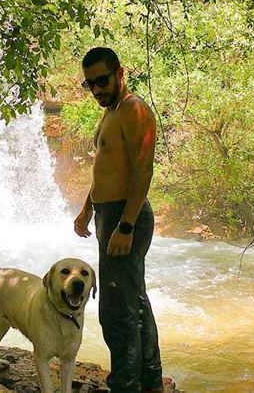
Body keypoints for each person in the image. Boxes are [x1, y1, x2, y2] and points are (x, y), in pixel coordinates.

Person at [74, 47, 164, 393]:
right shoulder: (111, 112)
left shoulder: (134, 110)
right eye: (90, 84)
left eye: (102, 80)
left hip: (127, 216)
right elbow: (107, 169)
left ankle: (126, 384)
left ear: (119, 73)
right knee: (133, 300)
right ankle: (149, 380)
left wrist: (125, 226)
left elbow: (143, 170)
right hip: (109, 213)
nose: (97, 89)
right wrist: (88, 207)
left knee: (115, 310)